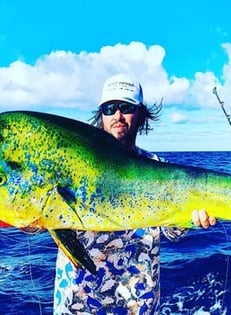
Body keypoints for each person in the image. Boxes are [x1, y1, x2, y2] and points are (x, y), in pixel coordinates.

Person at [53, 74, 216, 315]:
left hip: (138, 303)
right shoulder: (70, 164)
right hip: (79, 303)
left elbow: (171, 232)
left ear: (140, 114)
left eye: (126, 107)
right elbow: (46, 212)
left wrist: (192, 219)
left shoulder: (157, 166)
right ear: (101, 115)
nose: (117, 115)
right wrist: (28, 222)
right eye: (110, 108)